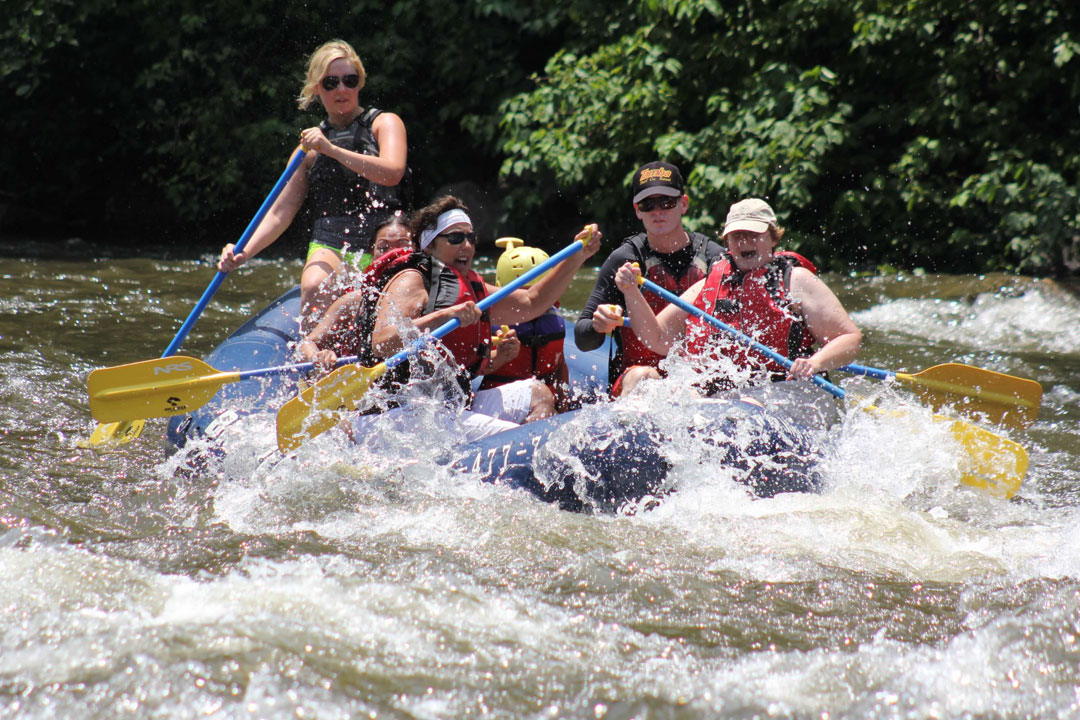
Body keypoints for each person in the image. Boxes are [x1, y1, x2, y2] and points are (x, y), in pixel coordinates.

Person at [362, 196, 601, 441]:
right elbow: (381, 342)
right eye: (455, 238)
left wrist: (579, 256)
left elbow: (533, 302)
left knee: (539, 394)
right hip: (402, 415)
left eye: (470, 238)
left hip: (449, 408)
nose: (466, 245)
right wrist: (443, 316)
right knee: (524, 437)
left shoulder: (472, 287)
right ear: (429, 246)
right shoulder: (411, 279)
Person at [217, 39, 410, 320]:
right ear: (317, 88)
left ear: (360, 83)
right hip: (331, 242)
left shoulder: (384, 123)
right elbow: (281, 211)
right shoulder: (306, 150)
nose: (341, 89)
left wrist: (331, 150)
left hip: (384, 238)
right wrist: (243, 252)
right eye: (331, 82)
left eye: (349, 80)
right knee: (314, 285)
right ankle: (315, 357)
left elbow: (392, 173)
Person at [612, 198, 862, 394]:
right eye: (736, 235)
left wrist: (816, 363)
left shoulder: (796, 281)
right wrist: (631, 291)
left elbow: (850, 338)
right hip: (723, 395)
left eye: (753, 234)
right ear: (727, 241)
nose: (744, 242)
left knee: (744, 404)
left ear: (773, 237)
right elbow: (656, 337)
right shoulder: (710, 284)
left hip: (782, 390)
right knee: (642, 379)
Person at [575, 161, 724, 397]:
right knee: (644, 376)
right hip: (636, 375)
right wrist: (598, 324)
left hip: (696, 377)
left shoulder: (713, 258)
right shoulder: (624, 259)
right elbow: (583, 339)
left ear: (683, 204)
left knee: (691, 388)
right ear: (637, 210)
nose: (657, 211)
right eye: (648, 204)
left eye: (666, 202)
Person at [297, 211, 417, 367]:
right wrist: (318, 355)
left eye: (403, 245)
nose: (393, 254)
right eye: (383, 247)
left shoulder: (434, 293)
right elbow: (307, 343)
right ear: (372, 254)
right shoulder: (355, 300)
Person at [478, 238, 573, 412]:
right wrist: (500, 355)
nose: (530, 302)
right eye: (523, 293)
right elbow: (477, 368)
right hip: (502, 401)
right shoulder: (491, 322)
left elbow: (560, 366)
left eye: (539, 293)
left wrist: (564, 405)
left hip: (544, 401)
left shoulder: (554, 319)